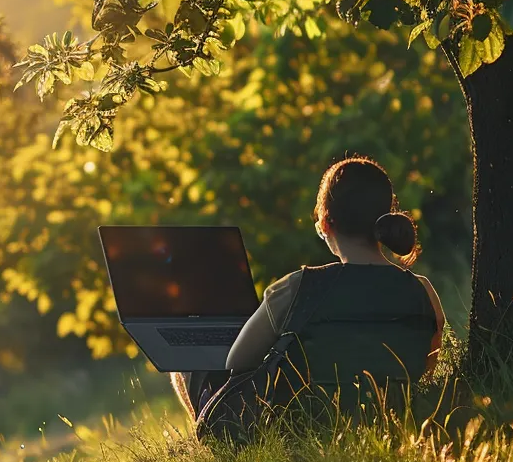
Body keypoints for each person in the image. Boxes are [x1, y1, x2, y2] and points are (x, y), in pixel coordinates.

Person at [171, 156, 449, 422]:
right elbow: (427, 367)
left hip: (304, 429)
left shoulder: (298, 287)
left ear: (326, 223)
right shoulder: (422, 289)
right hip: (393, 423)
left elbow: (237, 360)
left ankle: (207, 442)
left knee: (185, 356)